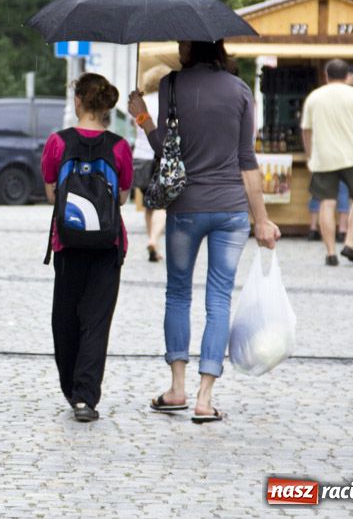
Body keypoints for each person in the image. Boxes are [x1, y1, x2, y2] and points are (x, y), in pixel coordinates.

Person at [128, 40, 280, 424]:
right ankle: (205, 397)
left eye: (182, 42)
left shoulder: (171, 85)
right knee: (218, 300)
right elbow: (248, 160)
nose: (179, 48)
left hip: (186, 208)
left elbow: (165, 150)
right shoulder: (240, 90)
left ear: (194, 47)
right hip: (231, 211)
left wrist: (143, 117)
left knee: (178, 293)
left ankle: (176, 388)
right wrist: (260, 218)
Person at [42, 73, 132, 423]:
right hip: (107, 245)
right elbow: (122, 196)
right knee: (97, 321)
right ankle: (85, 397)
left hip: (67, 243)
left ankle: (70, 386)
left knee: (64, 318)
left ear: (78, 100)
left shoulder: (58, 143)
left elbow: (51, 193)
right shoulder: (119, 146)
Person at [301, 59, 353, 265]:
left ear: (326, 76)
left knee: (327, 203)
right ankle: (349, 242)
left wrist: (311, 155)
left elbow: (306, 130)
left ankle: (330, 252)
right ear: (347, 75)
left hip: (324, 159)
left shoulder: (315, 97)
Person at [132, 70, 166, 261]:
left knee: (149, 205)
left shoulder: (141, 105)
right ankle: (153, 240)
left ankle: (152, 241)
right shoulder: (167, 103)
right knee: (163, 205)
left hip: (141, 157)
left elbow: (134, 126)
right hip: (159, 157)